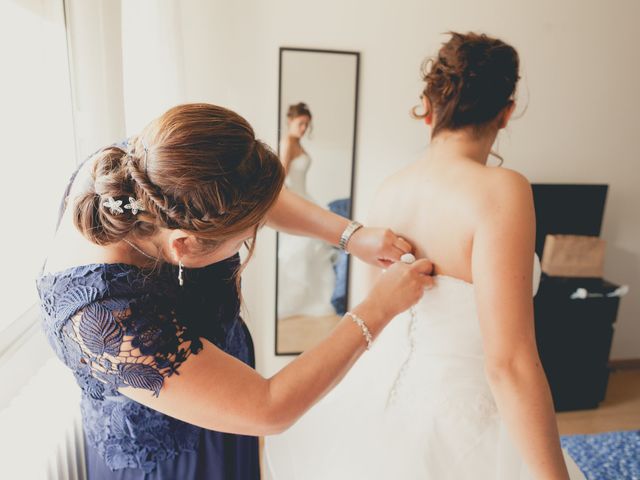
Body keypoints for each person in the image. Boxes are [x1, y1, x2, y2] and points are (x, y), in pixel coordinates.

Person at [36, 103, 433, 479]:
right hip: (175, 462)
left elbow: (249, 198)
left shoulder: (150, 170)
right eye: (248, 235)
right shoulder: (105, 321)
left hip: (225, 395)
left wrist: (350, 236)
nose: (255, 233)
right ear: (184, 246)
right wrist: (379, 307)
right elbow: (269, 408)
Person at [265, 33, 583, 479]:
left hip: (374, 408)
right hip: (461, 422)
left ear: (427, 107)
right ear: (506, 112)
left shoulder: (388, 189)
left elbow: (365, 315)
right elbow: (509, 362)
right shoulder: (502, 190)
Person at [277, 102, 338, 318]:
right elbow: (280, 179)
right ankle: (295, 300)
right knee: (301, 246)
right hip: (296, 199)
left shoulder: (297, 143)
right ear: (290, 121)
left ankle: (311, 299)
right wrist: (292, 204)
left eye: (307, 125)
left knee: (314, 246)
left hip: (305, 197)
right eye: (301, 123)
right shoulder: (287, 143)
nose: (304, 128)